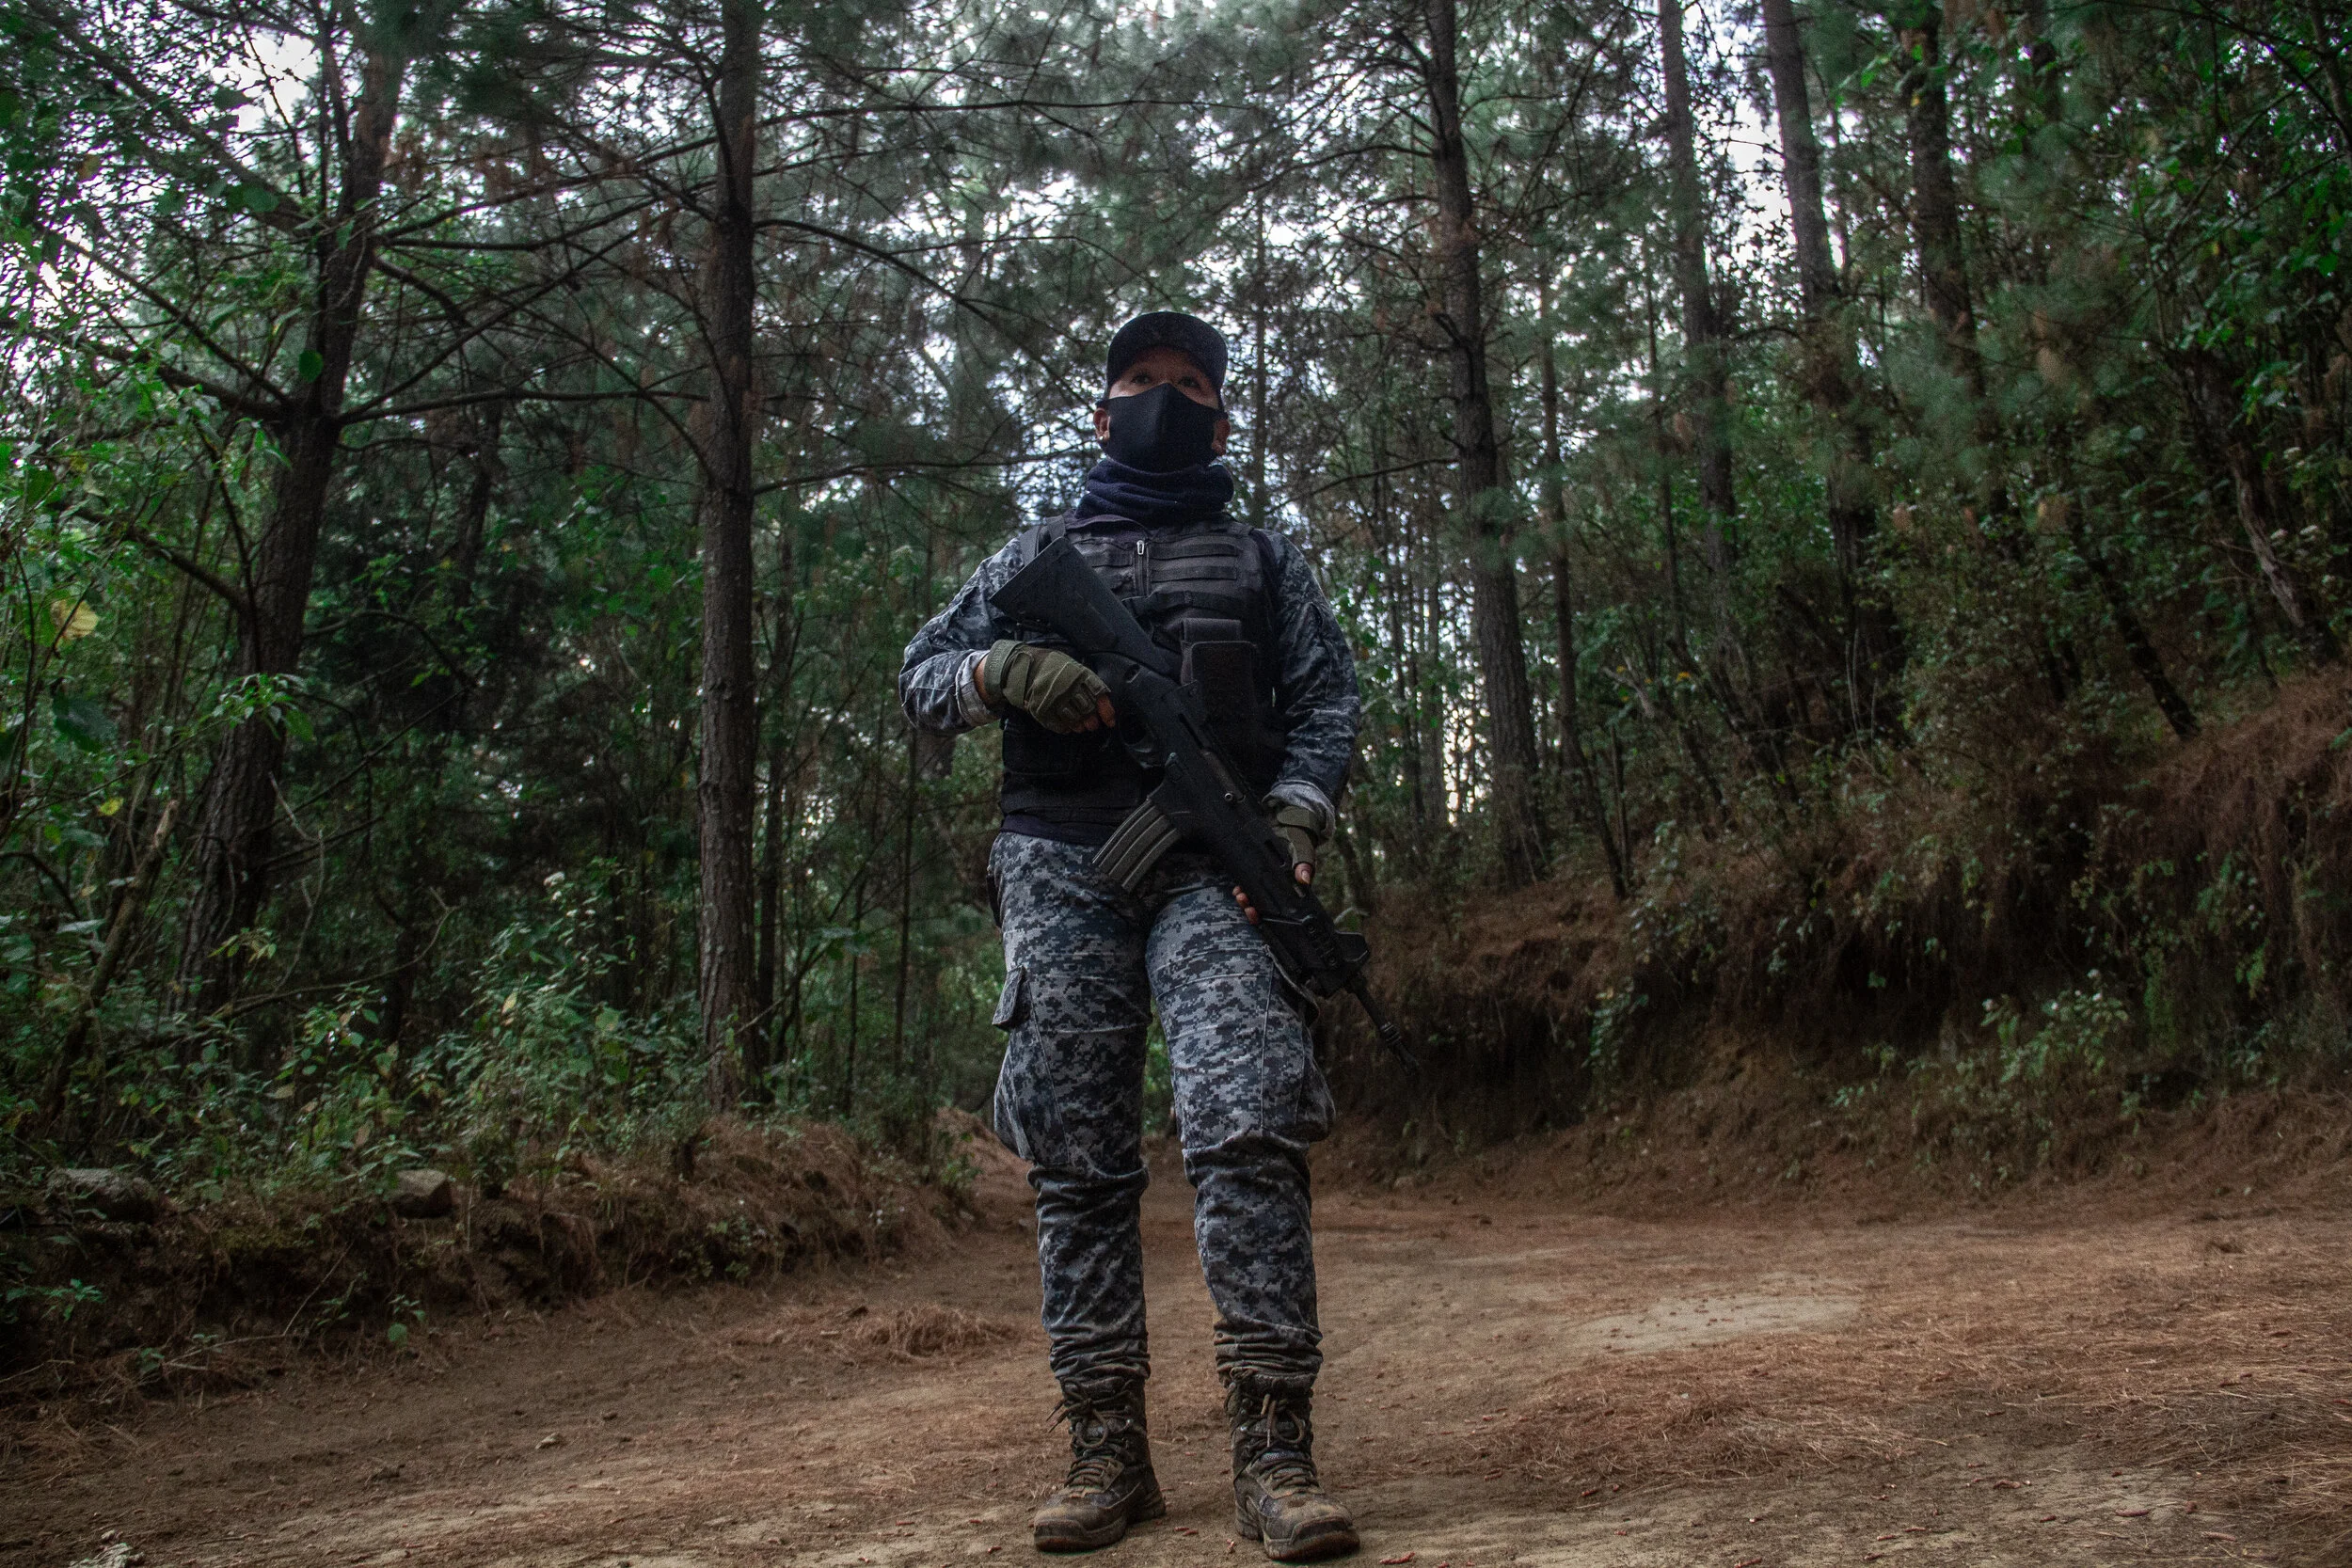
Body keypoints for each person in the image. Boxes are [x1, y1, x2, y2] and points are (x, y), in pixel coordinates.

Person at [898, 312, 1363, 1560]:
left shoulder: (1265, 560)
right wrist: (1002, 673)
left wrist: (1292, 815)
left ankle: (1275, 1446)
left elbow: (1327, 700)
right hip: (1059, 864)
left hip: (1218, 866)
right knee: (1076, 1152)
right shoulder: (1040, 552)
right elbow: (921, 672)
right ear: (1102, 412)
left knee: (1250, 1118)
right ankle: (1106, 1445)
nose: (1166, 398)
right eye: (1141, 382)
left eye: (1190, 384)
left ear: (1222, 416)